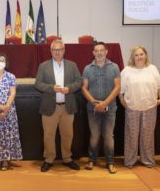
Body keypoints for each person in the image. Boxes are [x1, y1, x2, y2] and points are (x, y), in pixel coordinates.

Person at [35, 39, 82, 172]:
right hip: (50, 106)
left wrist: (69, 88)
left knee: (68, 135)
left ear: (64, 50)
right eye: (54, 50)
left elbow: (79, 82)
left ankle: (67, 158)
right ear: (51, 51)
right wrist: (51, 88)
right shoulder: (43, 66)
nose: (57, 52)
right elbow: (38, 84)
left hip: (68, 106)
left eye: (60, 49)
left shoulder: (72, 65)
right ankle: (49, 159)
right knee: (49, 135)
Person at [119, 45, 160, 168]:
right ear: (133, 57)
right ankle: (130, 160)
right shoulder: (126, 71)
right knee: (131, 137)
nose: (139, 57)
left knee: (148, 136)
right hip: (132, 108)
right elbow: (120, 91)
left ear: (145, 55)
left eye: (141, 54)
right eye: (136, 55)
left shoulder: (153, 69)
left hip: (150, 107)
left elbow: (159, 86)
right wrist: (124, 103)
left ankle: (148, 160)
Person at [81, 41, 120, 174]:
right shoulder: (87, 68)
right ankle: (92, 160)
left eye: (101, 50)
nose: (99, 53)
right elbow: (84, 88)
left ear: (106, 52)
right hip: (93, 109)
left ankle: (110, 162)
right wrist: (94, 103)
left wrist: (105, 103)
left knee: (109, 136)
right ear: (93, 53)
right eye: (96, 51)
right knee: (94, 135)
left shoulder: (114, 67)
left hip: (110, 108)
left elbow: (117, 87)